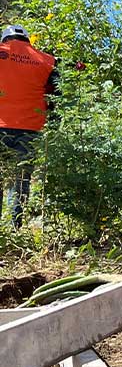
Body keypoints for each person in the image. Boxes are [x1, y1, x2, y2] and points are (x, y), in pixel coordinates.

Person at [0, 25, 56, 228]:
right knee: (21, 180)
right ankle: (14, 227)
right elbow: (56, 93)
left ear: (5, 39)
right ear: (27, 41)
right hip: (30, 129)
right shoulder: (46, 60)